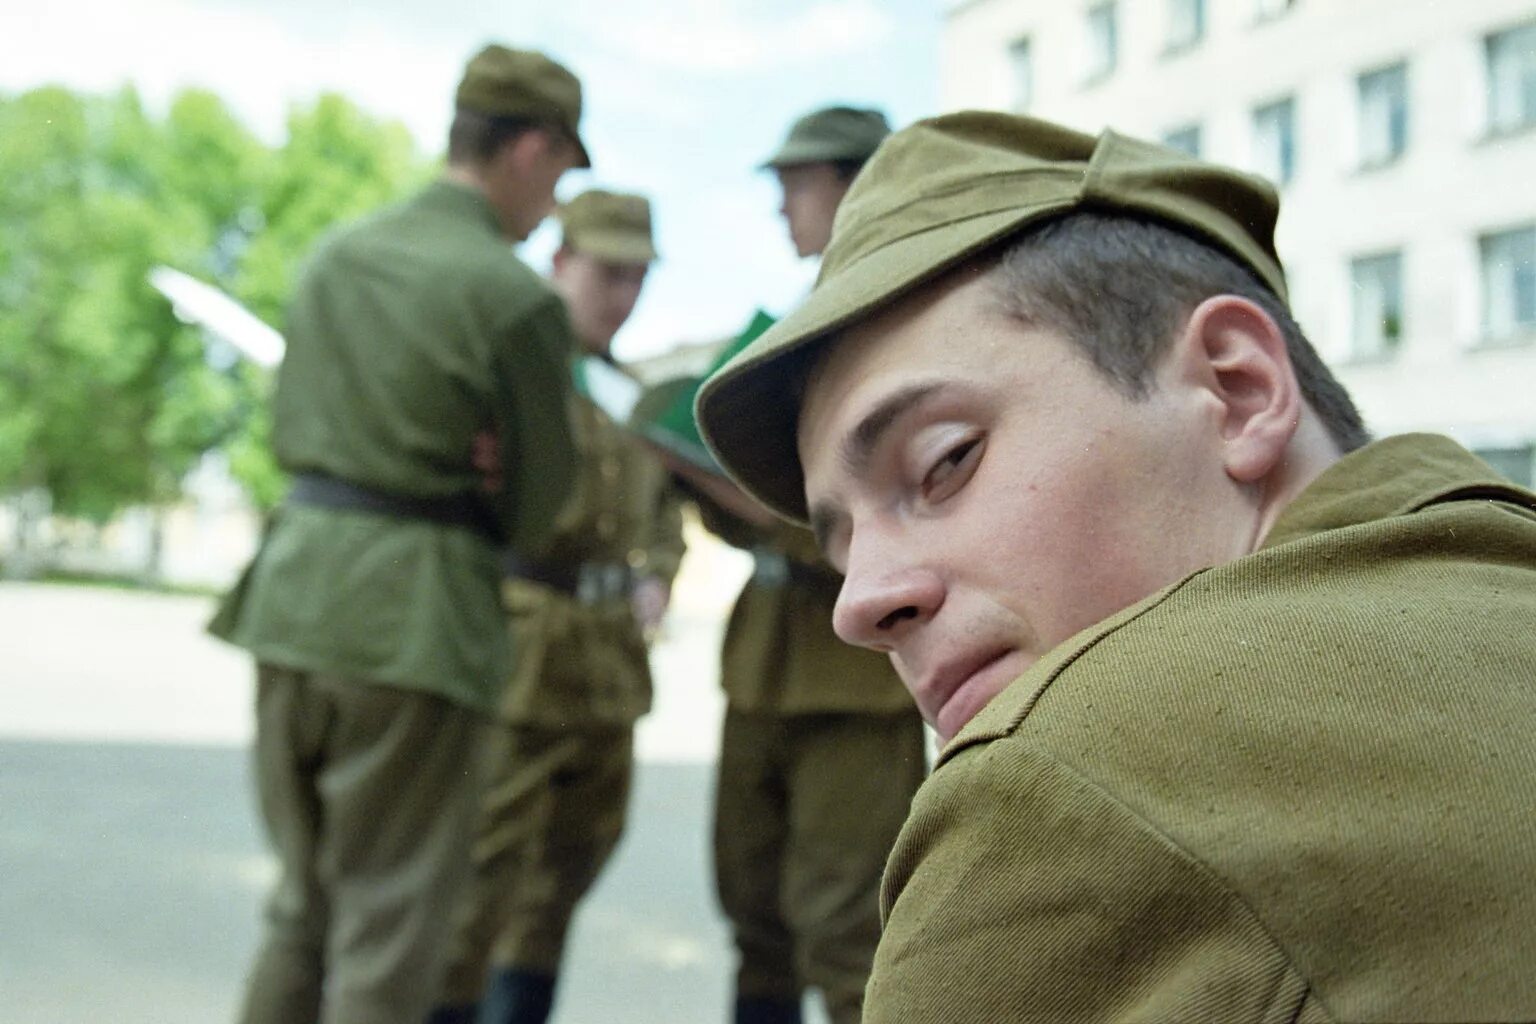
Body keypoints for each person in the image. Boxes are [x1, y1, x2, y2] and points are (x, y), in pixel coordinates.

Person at [694, 111, 1536, 1023]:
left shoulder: (1062, 777)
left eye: (947, 461)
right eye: (845, 543)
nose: (858, 606)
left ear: (1237, 388)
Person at [209, 43, 589, 1024]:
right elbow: (544, 498)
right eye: (559, 171)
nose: (553, 199)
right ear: (530, 148)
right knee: (390, 935)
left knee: (301, 911)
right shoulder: (511, 298)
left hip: (294, 597)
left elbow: (297, 420)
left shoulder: (336, 253)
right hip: (414, 626)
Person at [429, 190, 685, 1024]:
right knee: (485, 866)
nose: (625, 295)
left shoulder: (637, 395)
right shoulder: (514, 376)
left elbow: (664, 518)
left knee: (572, 863)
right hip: (523, 652)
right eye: (609, 273)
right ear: (560, 265)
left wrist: (658, 572)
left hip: (608, 666)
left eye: (639, 277)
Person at [700, 105, 926, 1024]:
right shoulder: (799, 323)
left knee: (843, 931)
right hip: (767, 659)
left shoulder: (906, 317)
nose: (782, 206)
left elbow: (908, 496)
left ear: (852, 182)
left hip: (853, 672)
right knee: (753, 914)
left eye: (796, 185)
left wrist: (771, 507)